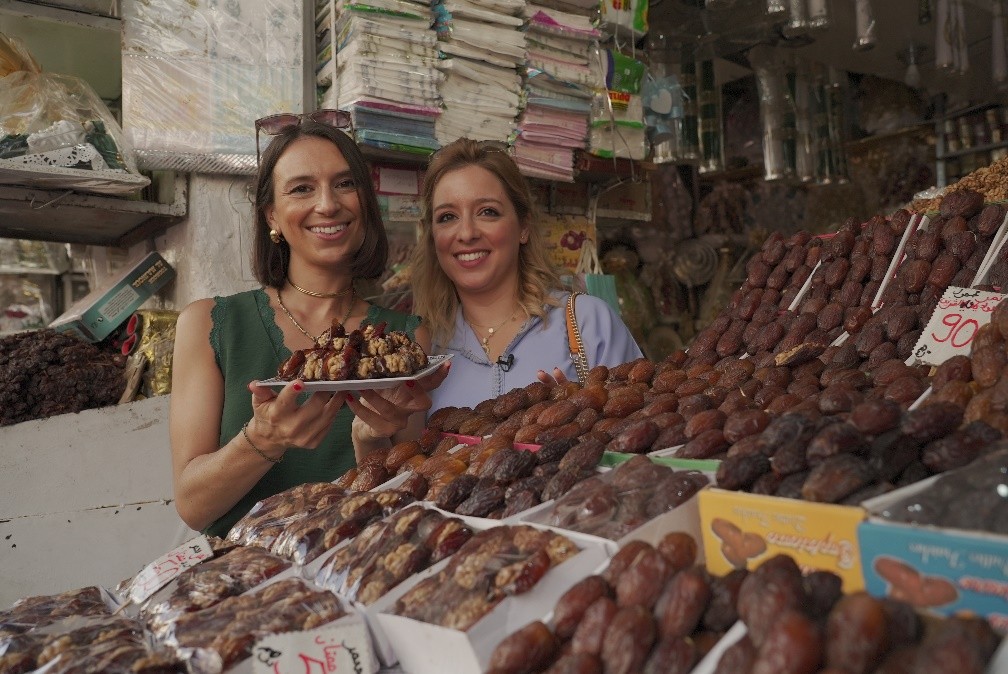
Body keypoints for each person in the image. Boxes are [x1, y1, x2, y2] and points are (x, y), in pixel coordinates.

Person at [170, 111, 447, 538]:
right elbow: (193, 506)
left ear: (364, 205)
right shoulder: (210, 324)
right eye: (302, 188)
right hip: (244, 584)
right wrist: (265, 439)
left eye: (344, 184)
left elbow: (406, 501)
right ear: (272, 217)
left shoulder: (405, 339)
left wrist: (372, 443)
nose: (328, 203)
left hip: (358, 570)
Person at [409, 137, 643, 414]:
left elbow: (645, 437)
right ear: (432, 236)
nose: (467, 233)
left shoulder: (588, 323)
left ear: (523, 227)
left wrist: (588, 419)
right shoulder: (422, 351)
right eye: (447, 217)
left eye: (488, 212)